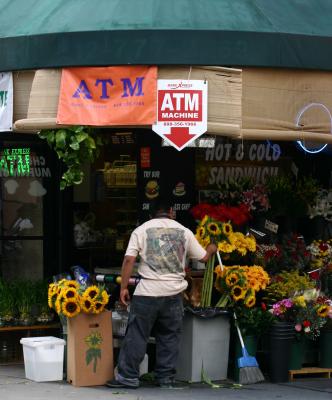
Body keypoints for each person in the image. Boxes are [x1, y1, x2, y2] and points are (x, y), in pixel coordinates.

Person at [106, 198, 217, 389]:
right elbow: (203, 258)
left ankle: (128, 378)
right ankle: (165, 379)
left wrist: (124, 287)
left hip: (147, 292)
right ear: (172, 212)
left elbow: (128, 260)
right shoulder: (185, 231)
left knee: (137, 335)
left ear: (151, 214)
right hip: (174, 294)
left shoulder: (141, 230)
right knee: (169, 337)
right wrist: (212, 248)